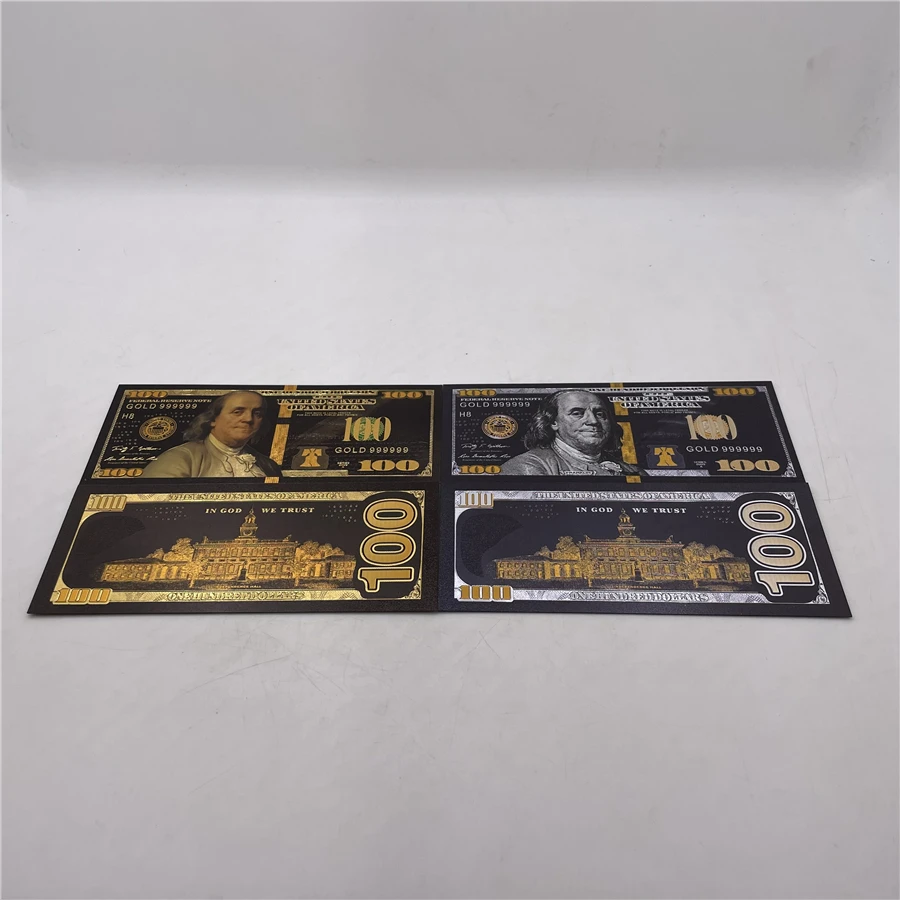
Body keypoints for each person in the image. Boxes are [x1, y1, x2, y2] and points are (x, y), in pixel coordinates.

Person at [499, 389, 644, 476]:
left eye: (600, 414)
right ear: (553, 422)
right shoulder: (527, 466)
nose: (593, 421)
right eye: (577, 413)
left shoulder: (634, 471)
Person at [140, 391, 281, 478]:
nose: (248, 419)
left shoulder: (269, 466)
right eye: (237, 412)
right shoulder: (180, 459)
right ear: (213, 419)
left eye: (257, 414)